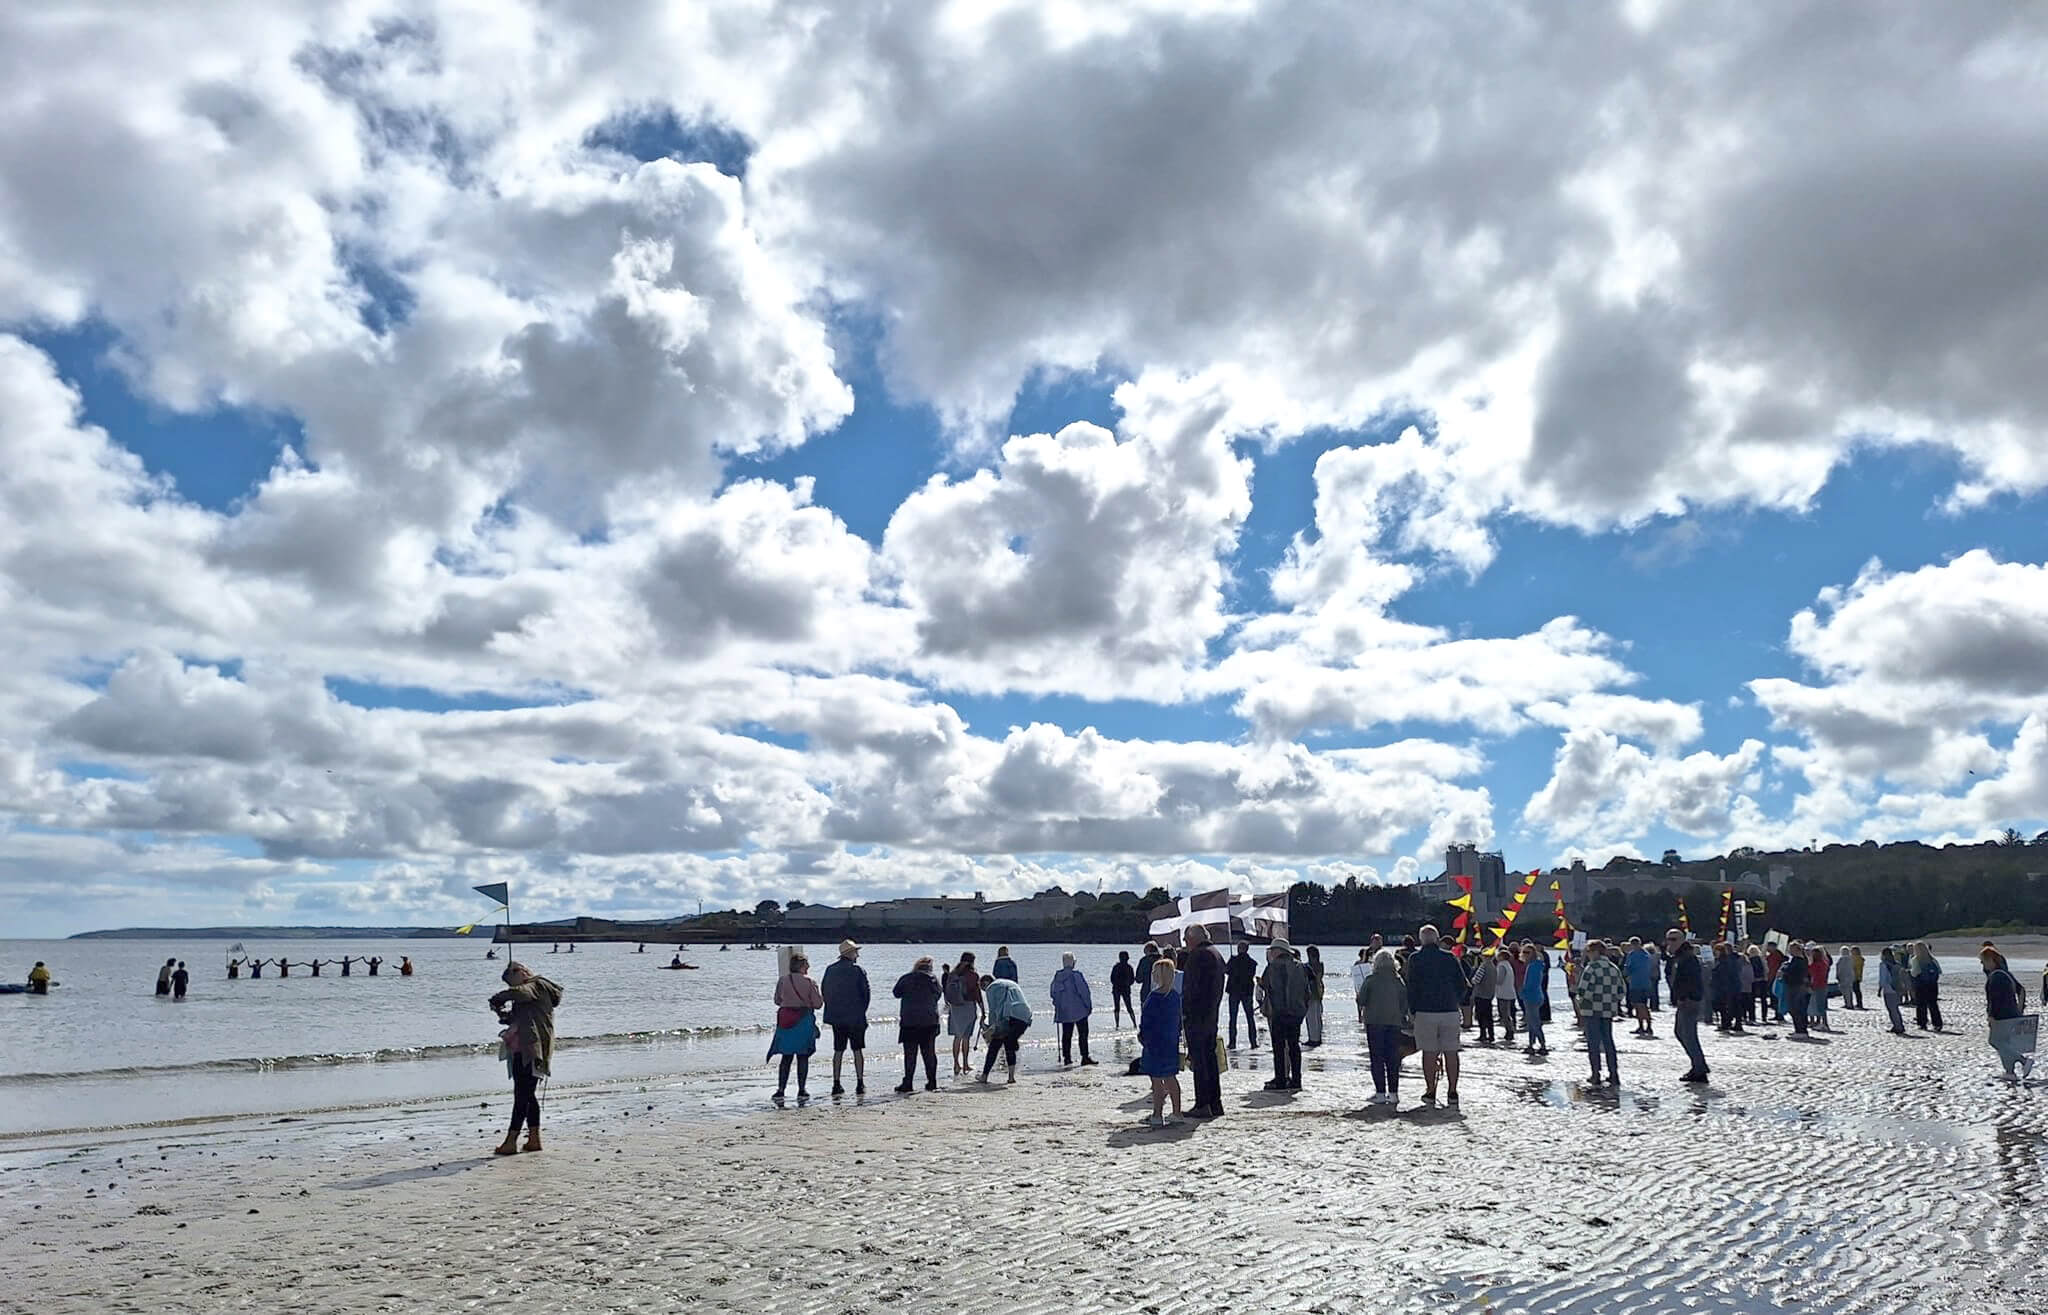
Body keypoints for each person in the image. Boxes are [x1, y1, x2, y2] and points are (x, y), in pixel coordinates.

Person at [488, 961, 562, 1154]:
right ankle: (534, 1139)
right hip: (530, 1048)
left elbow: (522, 993)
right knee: (527, 1094)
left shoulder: (536, 985)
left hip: (531, 1050)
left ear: (520, 972)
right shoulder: (533, 992)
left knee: (521, 1095)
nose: (511, 988)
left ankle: (511, 1141)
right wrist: (502, 1013)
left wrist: (499, 997)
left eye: (511, 983)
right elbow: (520, 1016)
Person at [1407, 925, 1467, 1103]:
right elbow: (1463, 984)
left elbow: (1411, 987)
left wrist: (1412, 1010)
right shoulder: (1450, 957)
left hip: (1425, 1011)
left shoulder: (1415, 958)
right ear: (1438, 939)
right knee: (1451, 1051)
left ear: (1421, 940)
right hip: (1449, 1010)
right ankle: (1453, 1091)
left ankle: (1431, 1090)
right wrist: (1455, 1001)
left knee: (1429, 1053)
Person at [1181, 924, 1225, 1118]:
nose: (1185, 942)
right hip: (1211, 1014)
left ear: (1193, 938)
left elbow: (1192, 989)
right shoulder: (1216, 954)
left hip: (1198, 1015)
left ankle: (1203, 1104)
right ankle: (1215, 1103)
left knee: (1200, 1061)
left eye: (1186, 938)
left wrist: (1185, 1012)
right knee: (1210, 1059)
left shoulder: (1198, 956)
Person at [768, 952, 823, 1103]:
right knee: (802, 1056)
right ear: (802, 966)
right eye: (807, 964)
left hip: (786, 1020)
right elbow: (818, 1004)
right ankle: (802, 1089)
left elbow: (777, 1000)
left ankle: (781, 1089)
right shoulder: (810, 982)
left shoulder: (782, 980)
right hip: (804, 1020)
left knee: (786, 1056)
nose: (809, 967)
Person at [821, 939, 871, 1097]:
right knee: (857, 1050)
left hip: (837, 1017)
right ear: (850, 954)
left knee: (838, 1050)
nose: (858, 955)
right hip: (855, 1017)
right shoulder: (858, 970)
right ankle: (860, 1082)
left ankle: (836, 1083)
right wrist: (861, 1010)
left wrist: (832, 1008)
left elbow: (825, 991)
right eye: (856, 952)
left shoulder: (830, 969)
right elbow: (866, 993)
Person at [1358, 948, 1409, 1105]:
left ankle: (1380, 1093)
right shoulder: (1398, 981)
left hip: (1374, 1022)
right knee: (1393, 1058)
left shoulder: (1371, 979)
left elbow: (1361, 1000)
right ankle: (1393, 1093)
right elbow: (1404, 1002)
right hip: (1394, 1022)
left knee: (1377, 1058)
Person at [1139, 958, 1184, 1127]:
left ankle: (1157, 1114)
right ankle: (1177, 1112)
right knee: (1170, 1077)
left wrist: (1143, 1037)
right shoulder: (1174, 996)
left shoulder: (1154, 997)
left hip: (1155, 1043)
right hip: (1170, 1042)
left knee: (1157, 1081)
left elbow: (1146, 1021)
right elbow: (1178, 1021)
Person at [1573, 940, 1624, 1086]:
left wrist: (1580, 1001)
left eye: (1588, 952)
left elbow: (1584, 991)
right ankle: (1614, 1073)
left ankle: (1595, 1074)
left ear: (1595, 952)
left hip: (1591, 1010)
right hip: (1608, 1010)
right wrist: (1611, 1001)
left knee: (1593, 1043)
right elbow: (1621, 991)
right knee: (1608, 1042)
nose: (1587, 955)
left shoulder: (1592, 968)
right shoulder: (1613, 968)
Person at [1260, 940, 1308, 1091]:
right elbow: (1306, 990)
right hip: (1296, 1012)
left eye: (1272, 950)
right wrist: (1303, 1008)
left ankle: (1280, 1079)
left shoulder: (1272, 967)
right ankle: (1296, 1080)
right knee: (1294, 1046)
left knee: (1279, 1048)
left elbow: (1266, 985)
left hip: (1279, 1012)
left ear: (1277, 951)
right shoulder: (1300, 966)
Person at [1981, 946, 2033, 1082]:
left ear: (1990, 960)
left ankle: (2024, 1061)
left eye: (1983, 961)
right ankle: (2010, 1072)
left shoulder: (1996, 976)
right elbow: (2021, 990)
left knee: (1995, 1041)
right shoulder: (2006, 973)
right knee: (2004, 1043)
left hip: (2003, 1016)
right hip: (2012, 1013)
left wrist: (1991, 1016)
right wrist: (2019, 1009)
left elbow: (1994, 999)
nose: (1982, 965)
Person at [892, 956, 943, 1093]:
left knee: (910, 1053)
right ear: (930, 967)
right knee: (929, 1053)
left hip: (909, 1021)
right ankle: (932, 1082)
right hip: (929, 1021)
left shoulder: (906, 978)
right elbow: (938, 994)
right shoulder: (933, 979)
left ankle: (908, 1082)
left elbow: (896, 993)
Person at [1664, 929, 1708, 1083]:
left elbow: (1693, 980)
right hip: (1682, 1001)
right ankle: (1699, 1065)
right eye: (1669, 939)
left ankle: (1699, 1069)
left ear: (1682, 940)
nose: (1671, 942)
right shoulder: (1677, 957)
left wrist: (1687, 997)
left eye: (1674, 939)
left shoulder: (1689, 958)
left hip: (1689, 1001)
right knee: (1680, 1032)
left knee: (1689, 1036)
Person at [979, 973, 1034, 1083]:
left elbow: (994, 1010)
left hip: (1009, 1015)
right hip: (1025, 1016)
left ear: (985, 983)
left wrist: (990, 1028)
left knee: (995, 1045)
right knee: (1010, 1044)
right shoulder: (1010, 983)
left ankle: (984, 1076)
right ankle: (1011, 1077)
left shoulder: (991, 988)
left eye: (983, 989)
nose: (985, 992)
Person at [1050, 953, 1097, 1066]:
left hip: (1064, 1010)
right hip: (1079, 1009)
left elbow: (1053, 993)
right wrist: (1088, 1006)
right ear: (1073, 963)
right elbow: (1084, 992)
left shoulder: (1058, 976)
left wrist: (1057, 1005)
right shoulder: (1076, 975)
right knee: (1083, 1034)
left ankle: (1067, 1058)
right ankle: (1084, 1057)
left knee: (1066, 1034)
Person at [944, 953, 985, 1075]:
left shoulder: (953, 974)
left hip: (955, 1007)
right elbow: (977, 993)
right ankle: (965, 1064)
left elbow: (946, 991)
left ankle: (956, 1064)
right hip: (968, 1006)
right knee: (966, 1037)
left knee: (957, 1037)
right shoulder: (973, 975)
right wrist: (983, 1010)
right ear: (972, 962)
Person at [1225, 941, 1259, 1050]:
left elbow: (1226, 971)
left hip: (1234, 992)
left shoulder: (1233, 960)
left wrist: (1231, 962)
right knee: (1250, 1017)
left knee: (1233, 1018)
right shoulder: (1252, 963)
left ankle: (1232, 1042)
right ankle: (1253, 1042)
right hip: (1246, 992)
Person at [1517, 943, 1549, 1058]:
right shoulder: (1535, 965)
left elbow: (1532, 983)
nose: (1525, 954)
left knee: (1535, 1022)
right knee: (1531, 1022)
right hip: (1535, 996)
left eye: (1528, 952)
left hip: (1532, 997)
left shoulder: (1533, 966)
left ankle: (1542, 1045)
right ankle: (1531, 1044)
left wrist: (1522, 992)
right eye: (1524, 952)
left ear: (1533, 954)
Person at [1910, 943, 1944, 1031]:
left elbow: (1915, 973)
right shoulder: (1932, 959)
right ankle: (1937, 1023)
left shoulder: (1916, 959)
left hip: (1921, 985)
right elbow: (1939, 971)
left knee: (1921, 1005)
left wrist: (1910, 972)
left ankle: (1922, 1023)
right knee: (1933, 1004)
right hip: (1933, 985)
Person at [1468, 953, 1498, 1044]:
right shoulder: (1493, 967)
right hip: (1490, 994)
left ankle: (1483, 1034)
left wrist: (1472, 980)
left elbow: (1476, 980)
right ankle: (1491, 1035)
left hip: (1481, 994)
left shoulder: (1483, 966)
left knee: (1480, 1016)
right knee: (1489, 1016)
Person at [1491, 940, 1519, 1041]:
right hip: (1509, 992)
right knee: (1507, 1013)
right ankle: (1510, 1029)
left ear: (1502, 957)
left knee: (1504, 1014)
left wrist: (1492, 979)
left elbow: (1499, 980)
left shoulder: (1502, 966)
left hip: (1503, 993)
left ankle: (1509, 1031)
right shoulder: (1508, 965)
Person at [1877, 946, 1908, 1034]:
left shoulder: (1883, 964)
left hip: (1889, 989)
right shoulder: (1897, 964)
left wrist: (1880, 989)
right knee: (1896, 1009)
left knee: (1892, 1009)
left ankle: (1898, 1026)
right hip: (1898, 989)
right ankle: (1899, 1025)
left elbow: (1883, 979)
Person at [1301, 945, 1326, 1048]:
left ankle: (1313, 1039)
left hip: (1312, 993)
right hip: (1318, 992)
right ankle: (1317, 1038)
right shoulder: (1319, 965)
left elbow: (1315, 979)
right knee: (1317, 1017)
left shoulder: (1310, 966)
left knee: (1312, 1018)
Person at [1808, 946, 1835, 1032]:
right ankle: (1823, 1023)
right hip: (1822, 985)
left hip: (1817, 986)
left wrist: (1811, 985)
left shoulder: (1817, 964)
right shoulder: (1824, 963)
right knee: (1820, 1005)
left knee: (1819, 1006)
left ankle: (1824, 1024)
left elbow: (1814, 975)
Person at [1109, 951, 1137, 1027]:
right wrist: (1127, 984)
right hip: (1126, 989)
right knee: (1129, 1007)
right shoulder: (1129, 967)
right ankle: (1134, 1024)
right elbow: (1132, 980)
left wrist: (1117, 983)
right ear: (1128, 958)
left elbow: (1112, 979)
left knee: (1117, 1007)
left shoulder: (1116, 967)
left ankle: (1117, 1025)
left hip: (1116, 989)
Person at [1351, 948, 1372, 1026]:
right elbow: (1354, 975)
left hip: (1365, 986)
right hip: (1359, 985)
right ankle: (1360, 1017)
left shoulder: (1370, 963)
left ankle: (1363, 1017)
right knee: (1359, 1002)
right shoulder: (1357, 963)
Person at [1848, 945, 1866, 1009]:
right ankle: (1858, 1003)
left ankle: (1859, 1003)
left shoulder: (1857, 958)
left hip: (1855, 977)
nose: (1851, 952)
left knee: (1856, 991)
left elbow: (1856, 968)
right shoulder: (1857, 958)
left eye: (1852, 951)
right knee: (1856, 990)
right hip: (1856, 976)